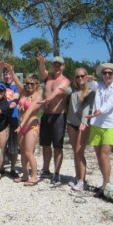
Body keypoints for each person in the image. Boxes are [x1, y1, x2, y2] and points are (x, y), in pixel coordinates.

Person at [85, 63, 113, 191]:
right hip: (97, 124)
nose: (107, 75)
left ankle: (106, 185)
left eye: (110, 73)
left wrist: (99, 111)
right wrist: (88, 79)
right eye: (104, 73)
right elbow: (89, 84)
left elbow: (110, 103)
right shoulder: (100, 86)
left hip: (110, 125)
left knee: (104, 155)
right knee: (98, 155)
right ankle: (104, 184)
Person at [4, 63, 42, 186]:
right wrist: (11, 70)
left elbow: (30, 111)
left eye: (33, 83)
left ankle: (35, 176)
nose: (29, 86)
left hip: (31, 125)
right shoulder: (24, 92)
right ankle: (25, 175)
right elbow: (16, 80)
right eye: (28, 83)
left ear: (37, 85)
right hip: (21, 125)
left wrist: (22, 124)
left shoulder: (38, 96)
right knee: (23, 151)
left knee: (29, 152)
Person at [36, 56, 70, 185]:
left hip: (58, 116)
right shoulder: (48, 78)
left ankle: (56, 173)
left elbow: (57, 91)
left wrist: (47, 100)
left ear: (63, 66)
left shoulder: (65, 81)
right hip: (46, 115)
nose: (57, 66)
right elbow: (42, 71)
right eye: (55, 64)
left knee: (57, 146)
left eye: (59, 65)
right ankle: (45, 169)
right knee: (45, 145)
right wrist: (41, 63)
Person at [62, 68, 95, 191]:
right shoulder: (73, 91)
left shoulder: (91, 91)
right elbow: (65, 91)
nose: (80, 78)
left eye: (82, 76)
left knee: (79, 151)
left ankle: (83, 181)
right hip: (71, 123)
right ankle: (77, 176)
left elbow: (87, 108)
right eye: (77, 76)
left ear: (86, 76)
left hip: (83, 124)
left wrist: (84, 122)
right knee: (75, 152)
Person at [0, 61, 20, 177]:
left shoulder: (16, 86)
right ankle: (0, 168)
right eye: (6, 74)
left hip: (14, 119)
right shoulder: (1, 86)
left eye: (10, 74)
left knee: (13, 146)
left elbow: (16, 96)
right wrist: (1, 68)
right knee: (1, 145)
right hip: (2, 119)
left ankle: (12, 168)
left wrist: (14, 102)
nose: (8, 76)